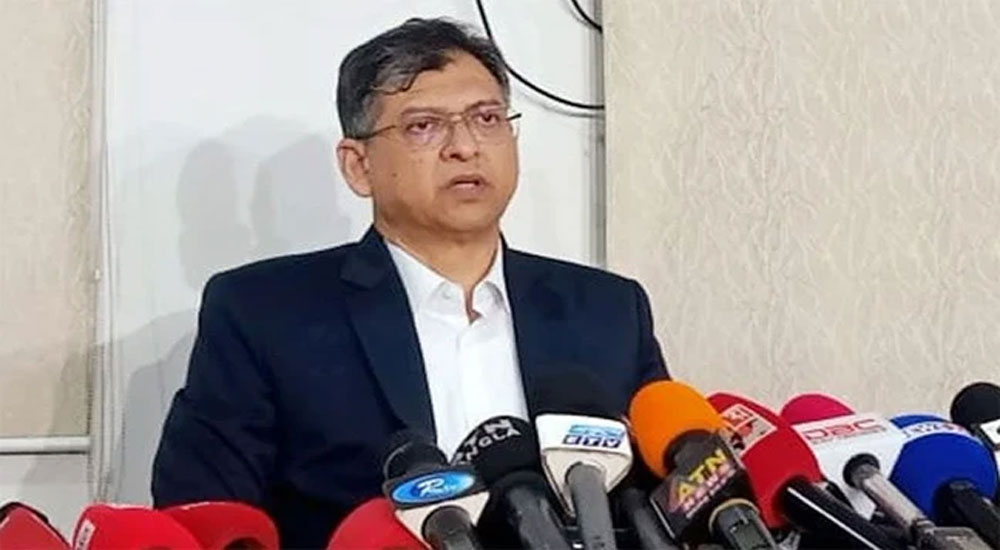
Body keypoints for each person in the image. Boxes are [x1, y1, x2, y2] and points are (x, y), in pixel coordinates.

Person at [152, 17, 667, 548]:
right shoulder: (264, 315)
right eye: (424, 126)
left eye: (487, 118)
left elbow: (665, 507)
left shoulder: (608, 311)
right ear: (359, 166)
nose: (465, 146)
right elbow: (203, 524)